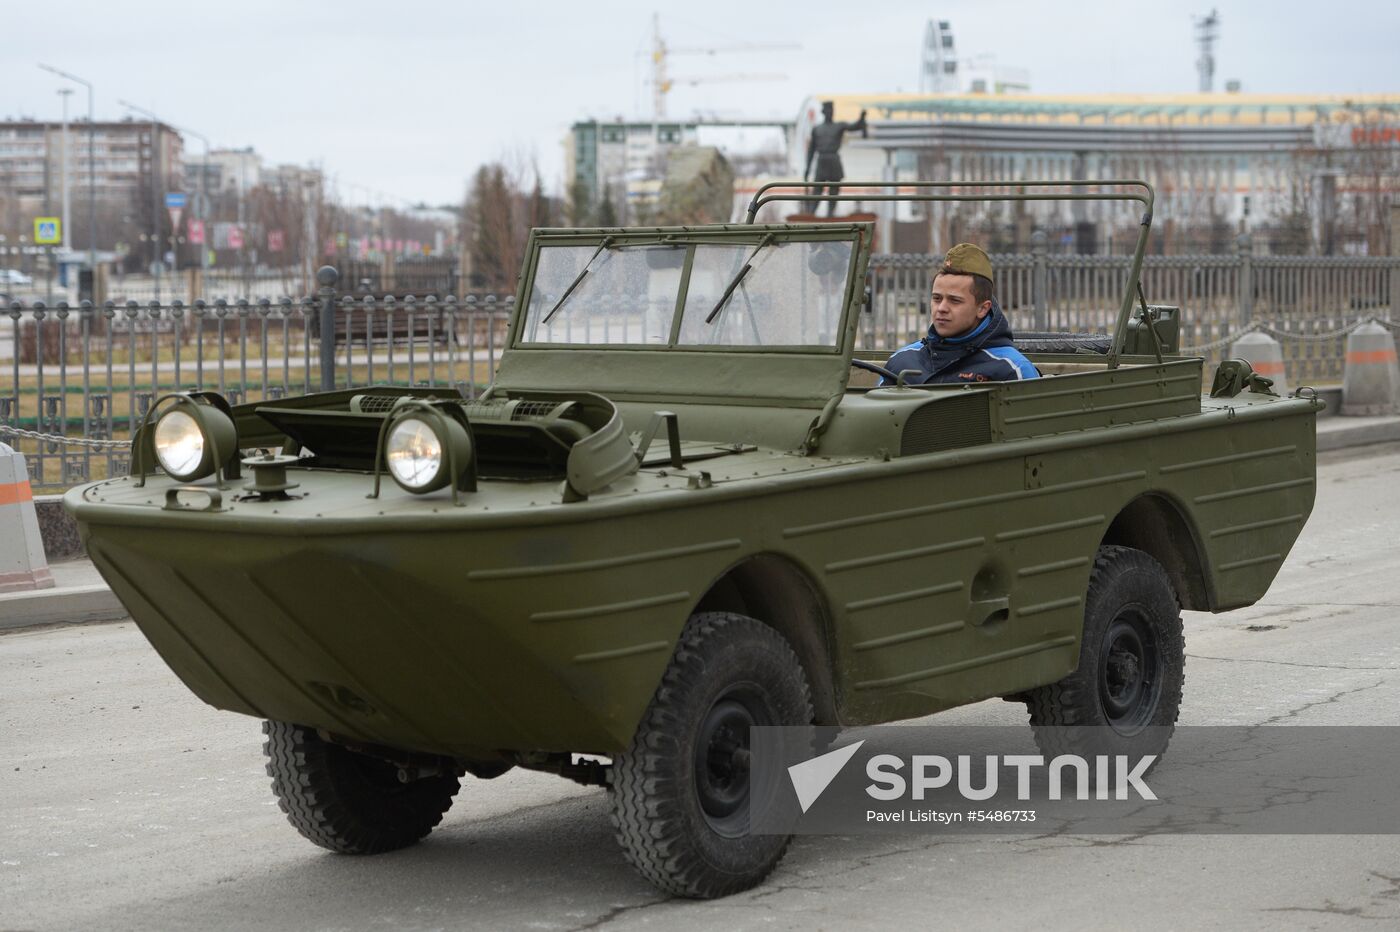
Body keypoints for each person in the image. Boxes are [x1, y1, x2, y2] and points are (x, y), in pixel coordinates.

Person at [883, 243, 1039, 384]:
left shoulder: (1011, 369)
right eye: (937, 298)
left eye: (954, 300)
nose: (941, 308)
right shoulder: (902, 361)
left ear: (983, 308)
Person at [803, 101, 867, 216]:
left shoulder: (839, 126)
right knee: (817, 191)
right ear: (824, 112)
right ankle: (811, 214)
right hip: (822, 160)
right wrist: (807, 168)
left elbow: (854, 126)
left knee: (834, 192)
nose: (830, 113)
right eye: (828, 110)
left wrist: (861, 118)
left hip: (834, 160)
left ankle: (830, 215)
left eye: (832, 110)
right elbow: (811, 151)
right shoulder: (817, 129)